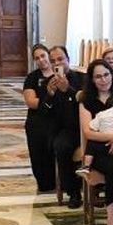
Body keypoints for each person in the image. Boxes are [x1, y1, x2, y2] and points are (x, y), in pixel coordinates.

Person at [78, 59, 113, 225]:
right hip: (97, 150)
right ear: (91, 80)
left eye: (106, 75)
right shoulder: (86, 101)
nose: (103, 79)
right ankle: (112, 221)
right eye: (98, 76)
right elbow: (88, 132)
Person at [44, 46, 87, 208]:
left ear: (68, 59)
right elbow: (45, 110)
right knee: (61, 147)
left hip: (83, 125)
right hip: (65, 129)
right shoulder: (49, 82)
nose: (57, 63)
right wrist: (50, 94)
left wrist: (67, 90)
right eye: (53, 61)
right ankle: (73, 192)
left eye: (60, 59)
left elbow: (85, 101)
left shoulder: (82, 78)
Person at [22, 44, 56, 192]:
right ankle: (44, 183)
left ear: (48, 55)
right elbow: (31, 102)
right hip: (37, 120)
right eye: (37, 58)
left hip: (56, 120)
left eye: (43, 56)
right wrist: (49, 99)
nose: (41, 60)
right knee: (38, 153)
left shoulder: (59, 75)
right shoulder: (32, 78)